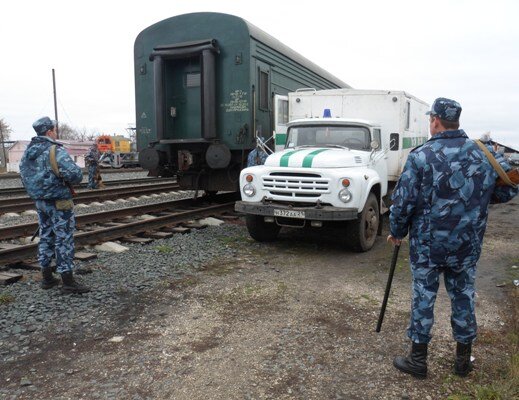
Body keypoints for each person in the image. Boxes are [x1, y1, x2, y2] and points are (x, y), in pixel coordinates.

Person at [387, 98, 517, 379]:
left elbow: (403, 203)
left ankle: (418, 360)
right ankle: (462, 362)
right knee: (463, 296)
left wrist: (397, 232)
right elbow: (505, 191)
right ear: (456, 120)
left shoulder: (422, 156)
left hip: (428, 247)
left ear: (435, 120)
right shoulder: (482, 155)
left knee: (424, 296)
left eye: (430, 119)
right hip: (466, 246)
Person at [19, 116, 90, 294]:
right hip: (59, 201)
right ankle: (67, 281)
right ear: (49, 131)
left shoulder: (27, 153)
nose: (55, 132)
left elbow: (24, 176)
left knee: (46, 235)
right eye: (54, 130)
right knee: (63, 238)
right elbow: (75, 175)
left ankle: (47, 278)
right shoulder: (55, 150)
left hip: (40, 201)